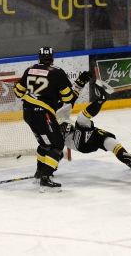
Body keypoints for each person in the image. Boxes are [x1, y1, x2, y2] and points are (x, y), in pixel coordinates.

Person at [14, 47, 83, 193]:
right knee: (57, 144)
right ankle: (45, 177)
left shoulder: (30, 70)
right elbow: (68, 98)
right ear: (52, 58)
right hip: (43, 114)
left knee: (44, 143)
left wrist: (19, 88)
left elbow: (18, 93)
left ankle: (40, 172)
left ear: (39, 57)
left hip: (28, 114)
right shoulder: (57, 72)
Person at [55, 79, 131, 176]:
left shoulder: (61, 111)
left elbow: (72, 97)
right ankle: (101, 99)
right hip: (79, 143)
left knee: (109, 141)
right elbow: (54, 148)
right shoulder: (48, 123)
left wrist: (80, 82)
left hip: (86, 135)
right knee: (81, 118)